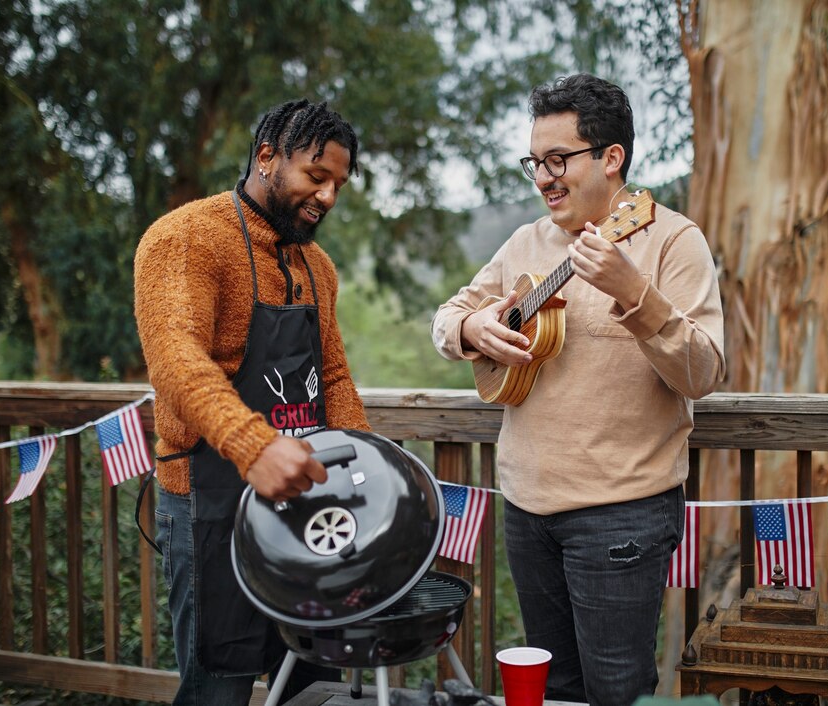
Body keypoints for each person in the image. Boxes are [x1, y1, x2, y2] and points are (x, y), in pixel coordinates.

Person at [431, 74, 725, 706]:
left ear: (611, 158)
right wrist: (472, 326)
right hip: (527, 507)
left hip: (622, 515)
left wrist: (634, 293)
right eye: (535, 162)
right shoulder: (526, 243)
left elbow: (702, 372)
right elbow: (446, 316)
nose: (543, 177)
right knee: (553, 690)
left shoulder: (672, 239)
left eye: (558, 159)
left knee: (616, 690)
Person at [134, 98, 371, 705]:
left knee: (315, 683)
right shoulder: (185, 239)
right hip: (211, 504)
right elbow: (177, 363)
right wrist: (254, 445)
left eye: (339, 184)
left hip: (308, 504)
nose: (328, 197)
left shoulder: (317, 266)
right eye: (316, 177)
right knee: (220, 685)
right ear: (267, 157)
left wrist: (368, 471)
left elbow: (335, 378)